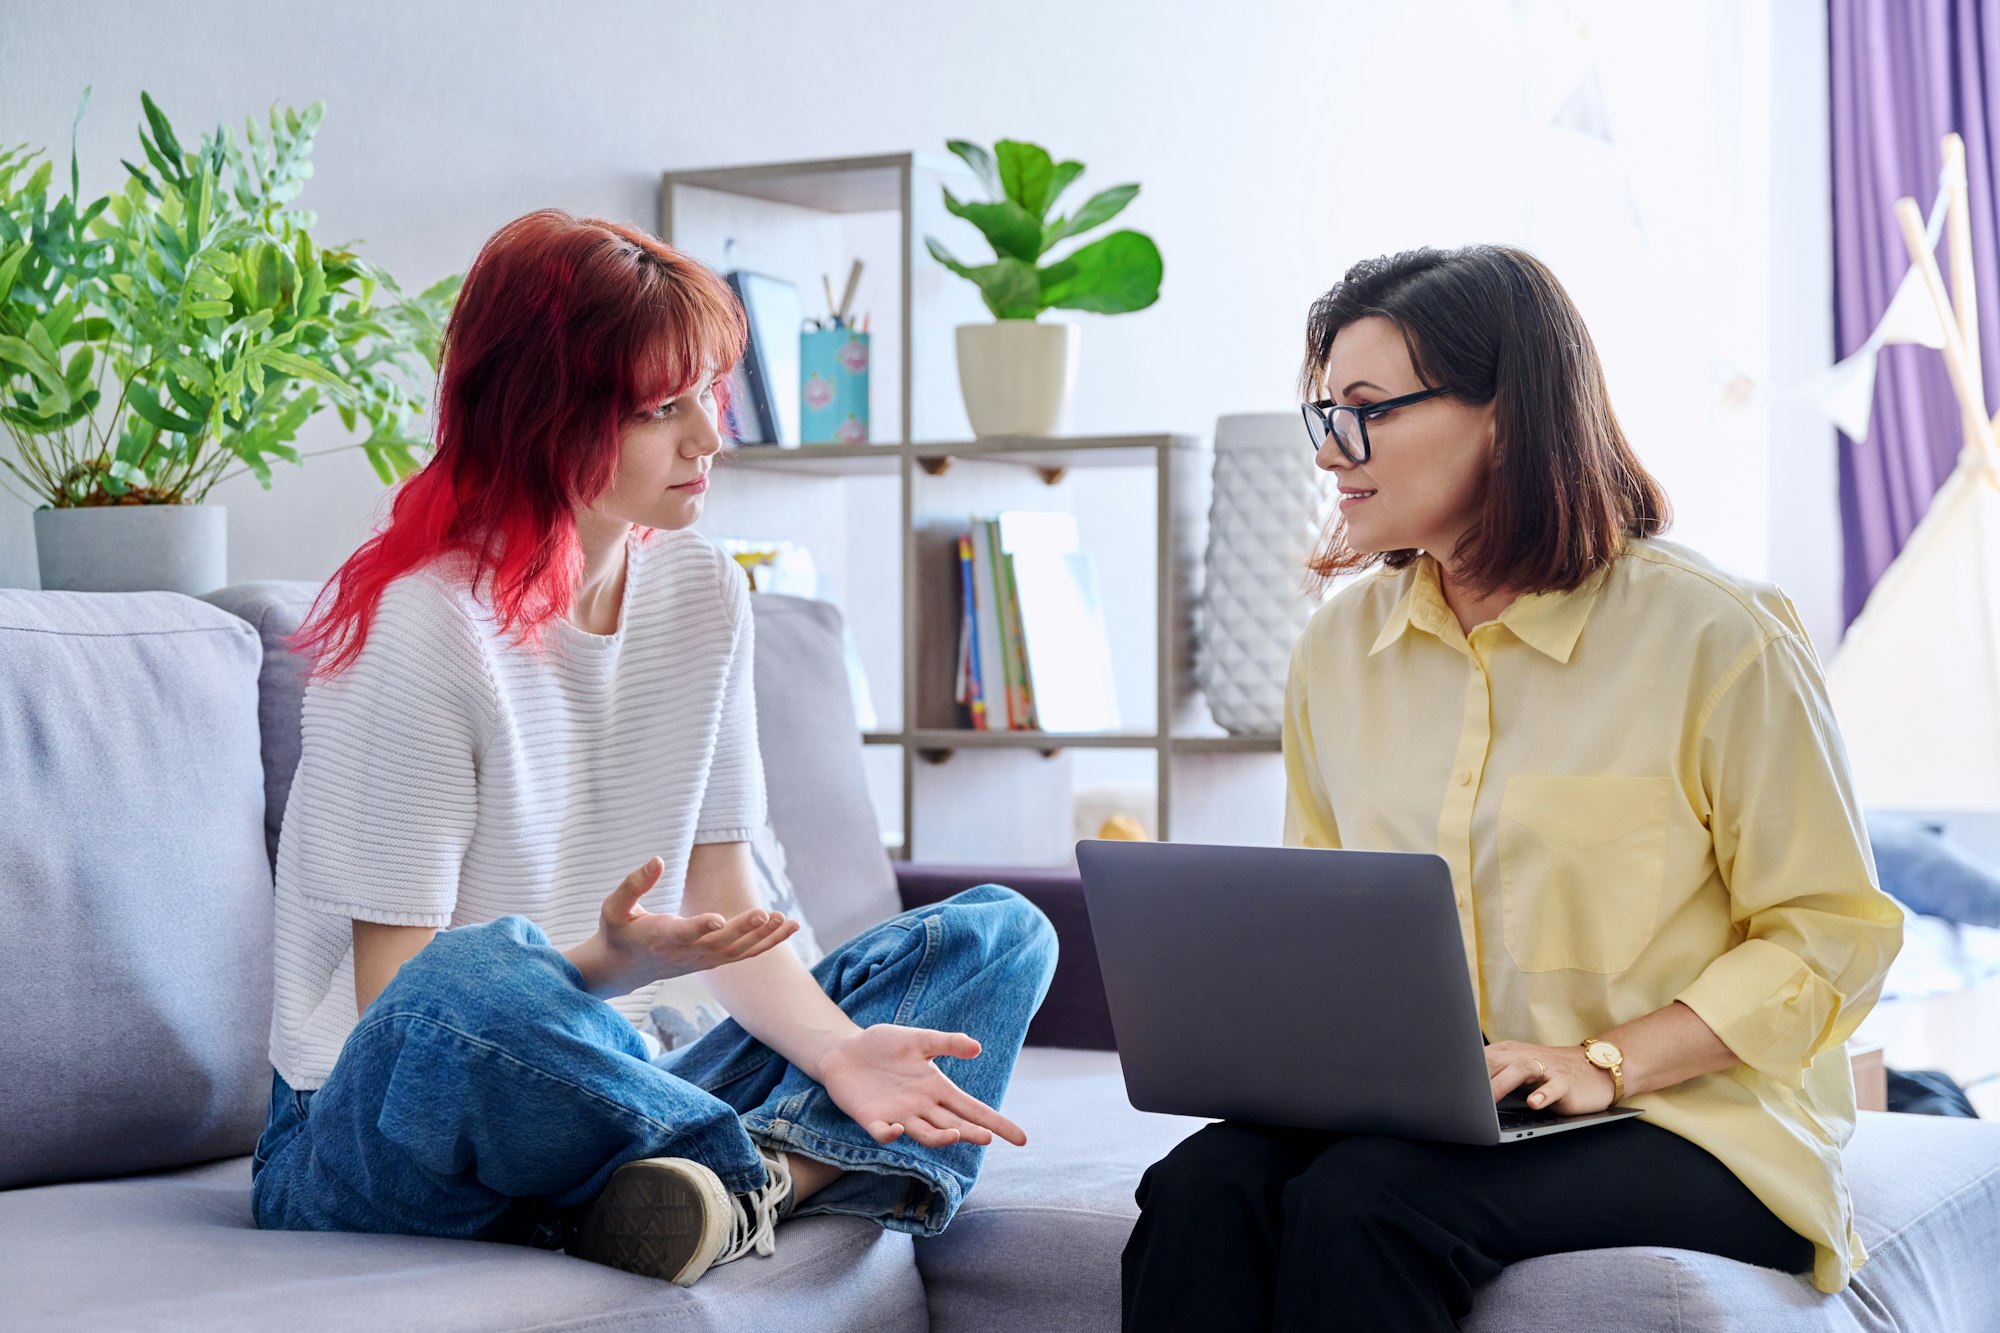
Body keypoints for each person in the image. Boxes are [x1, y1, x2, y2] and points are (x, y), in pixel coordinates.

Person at [250, 209, 1058, 1288]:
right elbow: (402, 1006)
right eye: (660, 408)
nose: (707, 438)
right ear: (543, 416)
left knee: (999, 934)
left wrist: (839, 1051)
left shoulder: (704, 591)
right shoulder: (427, 624)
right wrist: (607, 963)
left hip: (623, 1083)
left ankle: (722, 1191)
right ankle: (756, 1166)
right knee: (477, 977)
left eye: (708, 393)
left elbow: (728, 909)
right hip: (377, 1131)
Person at [1121, 244, 1903, 1330]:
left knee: (1365, 1202)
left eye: (1364, 411)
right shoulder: (1337, 652)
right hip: (1444, 1112)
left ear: (1504, 415)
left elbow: (1831, 935)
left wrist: (1603, 1060)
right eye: (1324, 415)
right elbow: (1323, 931)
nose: (1330, 452)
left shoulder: (1718, 636)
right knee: (1200, 1186)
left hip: (1689, 1117)